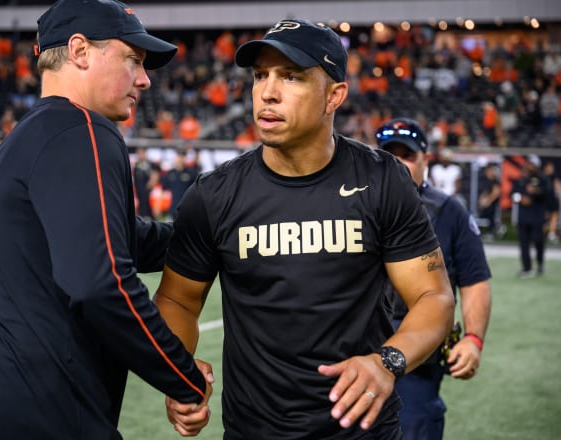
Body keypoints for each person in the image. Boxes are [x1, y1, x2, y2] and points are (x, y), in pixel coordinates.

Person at [154, 19, 455, 439]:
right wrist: (179, 373)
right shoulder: (214, 194)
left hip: (363, 430)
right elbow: (178, 300)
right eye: (261, 75)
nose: (268, 91)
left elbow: (433, 294)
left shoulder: (383, 179)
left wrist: (387, 361)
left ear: (335, 95)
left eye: (291, 76)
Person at [0, 1, 212, 439]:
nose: (144, 78)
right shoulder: (83, 130)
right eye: (133, 59)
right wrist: (183, 378)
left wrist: (207, 237)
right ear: (80, 51)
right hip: (43, 417)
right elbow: (102, 283)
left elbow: (123, 237)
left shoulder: (30, 135)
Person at [375, 118, 492, 440]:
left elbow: (474, 280)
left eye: (407, 155)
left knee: (413, 426)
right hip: (357, 346)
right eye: (389, 154)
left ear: (426, 159)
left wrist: (474, 338)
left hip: (419, 351)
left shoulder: (449, 211)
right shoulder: (352, 205)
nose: (398, 163)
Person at [511, 154, 550, 277]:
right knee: (524, 244)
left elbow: (546, 194)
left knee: (538, 241)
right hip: (523, 217)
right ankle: (526, 268)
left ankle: (540, 264)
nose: (530, 166)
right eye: (529, 164)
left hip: (537, 217)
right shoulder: (521, 180)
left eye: (532, 164)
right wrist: (521, 199)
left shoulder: (542, 180)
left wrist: (535, 192)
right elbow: (513, 194)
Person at [477, 163, 505, 241]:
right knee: (484, 216)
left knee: (491, 217)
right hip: (487, 204)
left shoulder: (495, 182)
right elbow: (485, 192)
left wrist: (488, 201)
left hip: (492, 204)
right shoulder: (487, 181)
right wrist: (481, 200)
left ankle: (493, 231)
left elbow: (495, 193)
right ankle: (486, 232)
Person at [133, 147, 160, 219]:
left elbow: (155, 173)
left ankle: (149, 217)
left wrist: (151, 183)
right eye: (138, 153)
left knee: (147, 206)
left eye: (141, 153)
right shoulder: (137, 164)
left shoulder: (150, 164)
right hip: (139, 189)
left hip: (147, 190)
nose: (140, 155)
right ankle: (142, 217)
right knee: (141, 205)